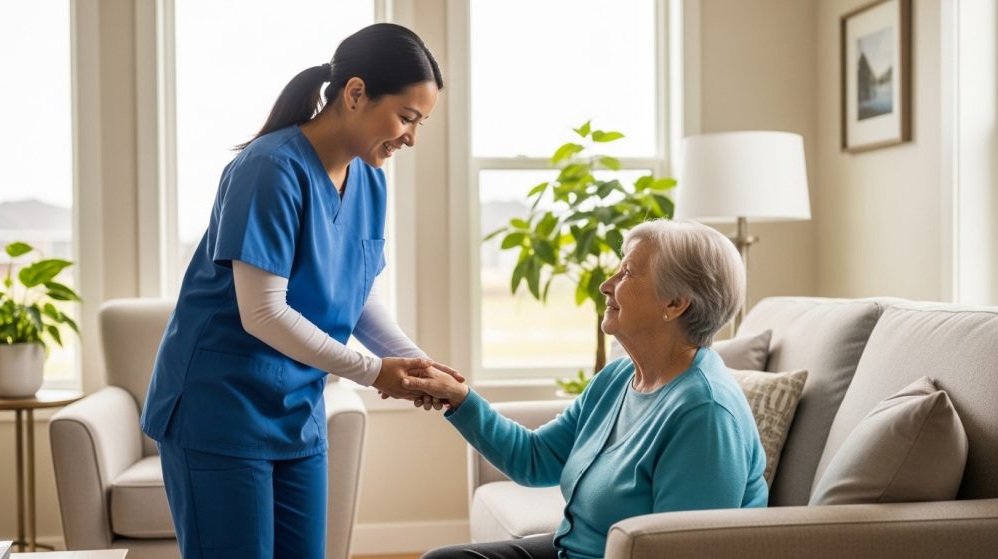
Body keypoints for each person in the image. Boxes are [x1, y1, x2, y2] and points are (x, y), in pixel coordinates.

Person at [139, 23, 453, 559]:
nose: (411, 138)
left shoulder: (370, 178)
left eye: (420, 123)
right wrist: (377, 372)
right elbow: (262, 312)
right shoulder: (269, 168)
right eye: (406, 117)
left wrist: (414, 362)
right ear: (355, 94)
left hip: (296, 410)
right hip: (219, 409)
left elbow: (356, 292)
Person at [406, 220, 769, 559]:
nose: (606, 285)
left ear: (674, 304)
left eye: (627, 273)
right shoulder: (618, 378)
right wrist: (460, 398)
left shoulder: (705, 413)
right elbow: (535, 459)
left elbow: (675, 550)